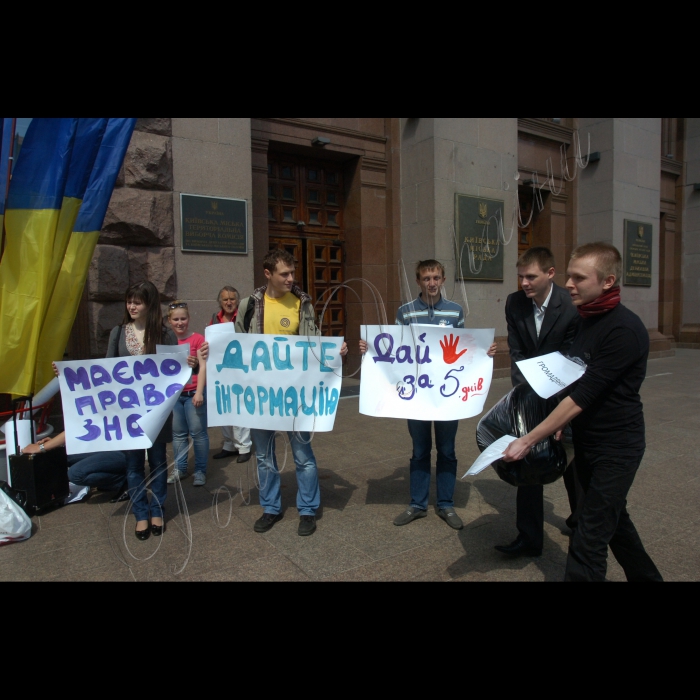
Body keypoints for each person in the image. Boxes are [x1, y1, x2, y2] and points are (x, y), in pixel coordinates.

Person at [503, 242, 662, 581]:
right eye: (570, 276)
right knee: (614, 524)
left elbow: (582, 396)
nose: (570, 284)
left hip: (617, 447)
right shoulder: (588, 318)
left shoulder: (623, 329)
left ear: (608, 281)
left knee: (588, 539)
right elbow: (574, 377)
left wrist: (528, 439)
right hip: (587, 441)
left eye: (578, 278)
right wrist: (563, 424)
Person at [360, 259, 496, 530]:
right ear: (418, 281)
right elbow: (396, 350)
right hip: (417, 396)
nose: (431, 283)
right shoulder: (406, 312)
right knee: (420, 450)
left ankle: (446, 504)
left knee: (447, 450)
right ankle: (418, 504)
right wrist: (371, 348)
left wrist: (484, 352)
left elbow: (464, 349)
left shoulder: (455, 311)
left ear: (443, 280)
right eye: (426, 278)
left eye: (436, 278)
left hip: (447, 396)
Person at [235, 249, 348, 536]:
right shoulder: (249, 305)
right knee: (264, 456)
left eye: (292, 273)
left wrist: (333, 352)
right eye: (284, 273)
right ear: (267, 274)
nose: (290, 278)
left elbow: (313, 342)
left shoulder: (302, 303)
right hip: (261, 396)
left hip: (295, 395)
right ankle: (270, 507)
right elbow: (234, 346)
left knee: (303, 455)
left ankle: (307, 509)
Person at [495, 246, 580, 558]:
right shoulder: (515, 303)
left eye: (531, 277)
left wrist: (558, 404)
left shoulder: (571, 305)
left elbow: (573, 357)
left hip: (566, 395)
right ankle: (529, 537)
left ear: (550, 274)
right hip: (530, 393)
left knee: (572, 463)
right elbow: (516, 354)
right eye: (520, 277)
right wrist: (528, 396)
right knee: (527, 463)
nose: (524, 283)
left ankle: (580, 523)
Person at [107, 282, 178, 541]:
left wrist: (190, 363)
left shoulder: (164, 333)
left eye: (137, 301)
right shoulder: (118, 332)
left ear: (150, 304)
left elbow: (175, 371)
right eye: (129, 301)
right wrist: (69, 376)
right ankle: (140, 513)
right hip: (128, 413)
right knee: (134, 464)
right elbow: (104, 372)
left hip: (157, 412)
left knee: (158, 462)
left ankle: (157, 508)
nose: (132, 306)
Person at [166, 300, 209, 486]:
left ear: (189, 319)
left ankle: (200, 470)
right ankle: (180, 468)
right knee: (178, 434)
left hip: (192, 394)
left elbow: (203, 367)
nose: (180, 322)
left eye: (183, 318)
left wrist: (199, 392)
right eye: (176, 319)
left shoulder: (197, 339)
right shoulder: (166, 340)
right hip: (174, 395)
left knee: (198, 433)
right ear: (170, 321)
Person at [209, 286, 252, 463]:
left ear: (237, 301)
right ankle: (228, 445)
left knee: (240, 407)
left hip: (240, 368)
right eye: (225, 299)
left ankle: (244, 447)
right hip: (222, 370)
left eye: (232, 299)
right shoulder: (215, 319)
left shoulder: (243, 317)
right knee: (224, 406)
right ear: (220, 301)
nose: (229, 302)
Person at [22, 431, 127, 497]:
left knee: (75, 474)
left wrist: (42, 447)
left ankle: (126, 482)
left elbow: (74, 430)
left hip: (126, 451)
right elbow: (79, 427)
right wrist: (55, 443)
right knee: (64, 455)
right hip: (105, 445)